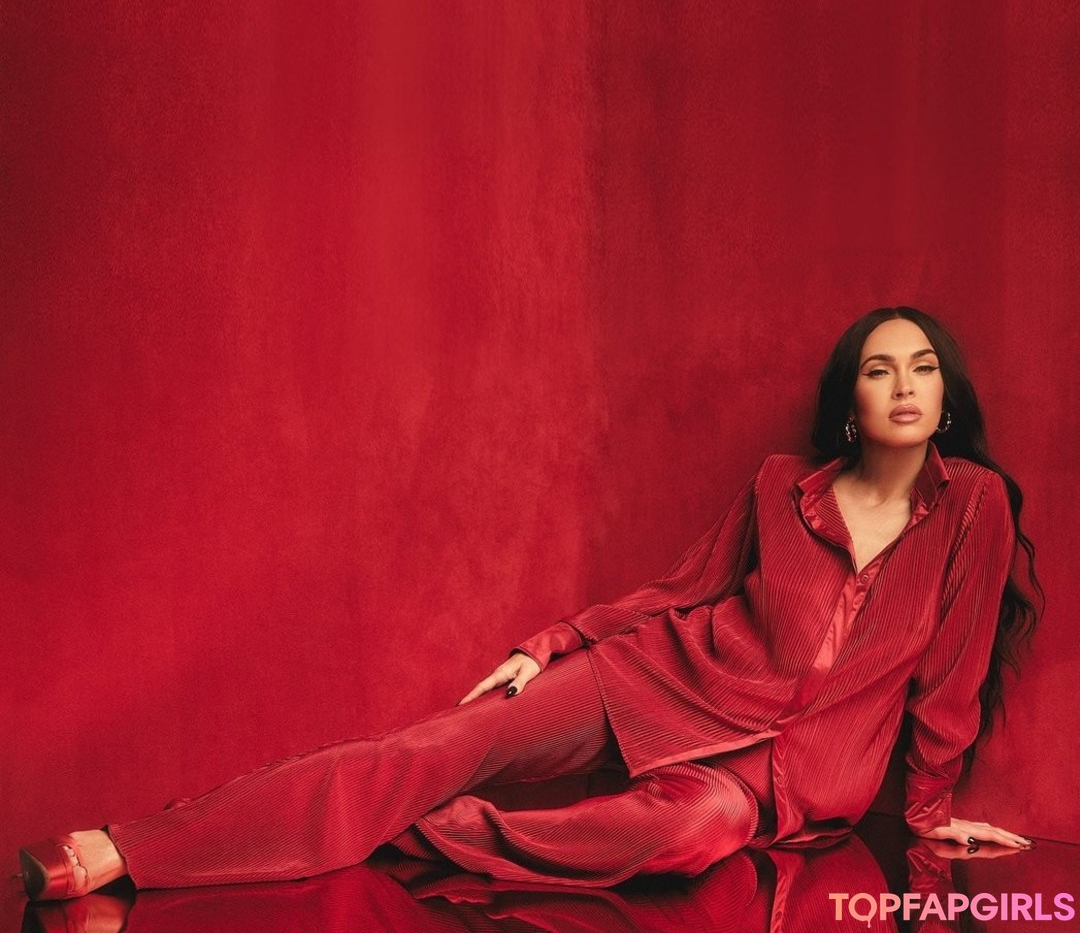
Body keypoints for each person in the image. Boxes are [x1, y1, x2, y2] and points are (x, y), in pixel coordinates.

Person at [18, 306, 1042, 902]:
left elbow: (948, 677)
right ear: (850, 400)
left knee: (693, 830)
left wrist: (927, 816)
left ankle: (412, 832)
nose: (903, 384)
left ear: (945, 397)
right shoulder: (782, 485)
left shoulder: (974, 506)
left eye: (922, 368)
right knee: (424, 749)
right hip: (658, 679)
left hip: (771, 777)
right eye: (878, 368)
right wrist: (551, 642)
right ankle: (128, 847)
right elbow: (682, 589)